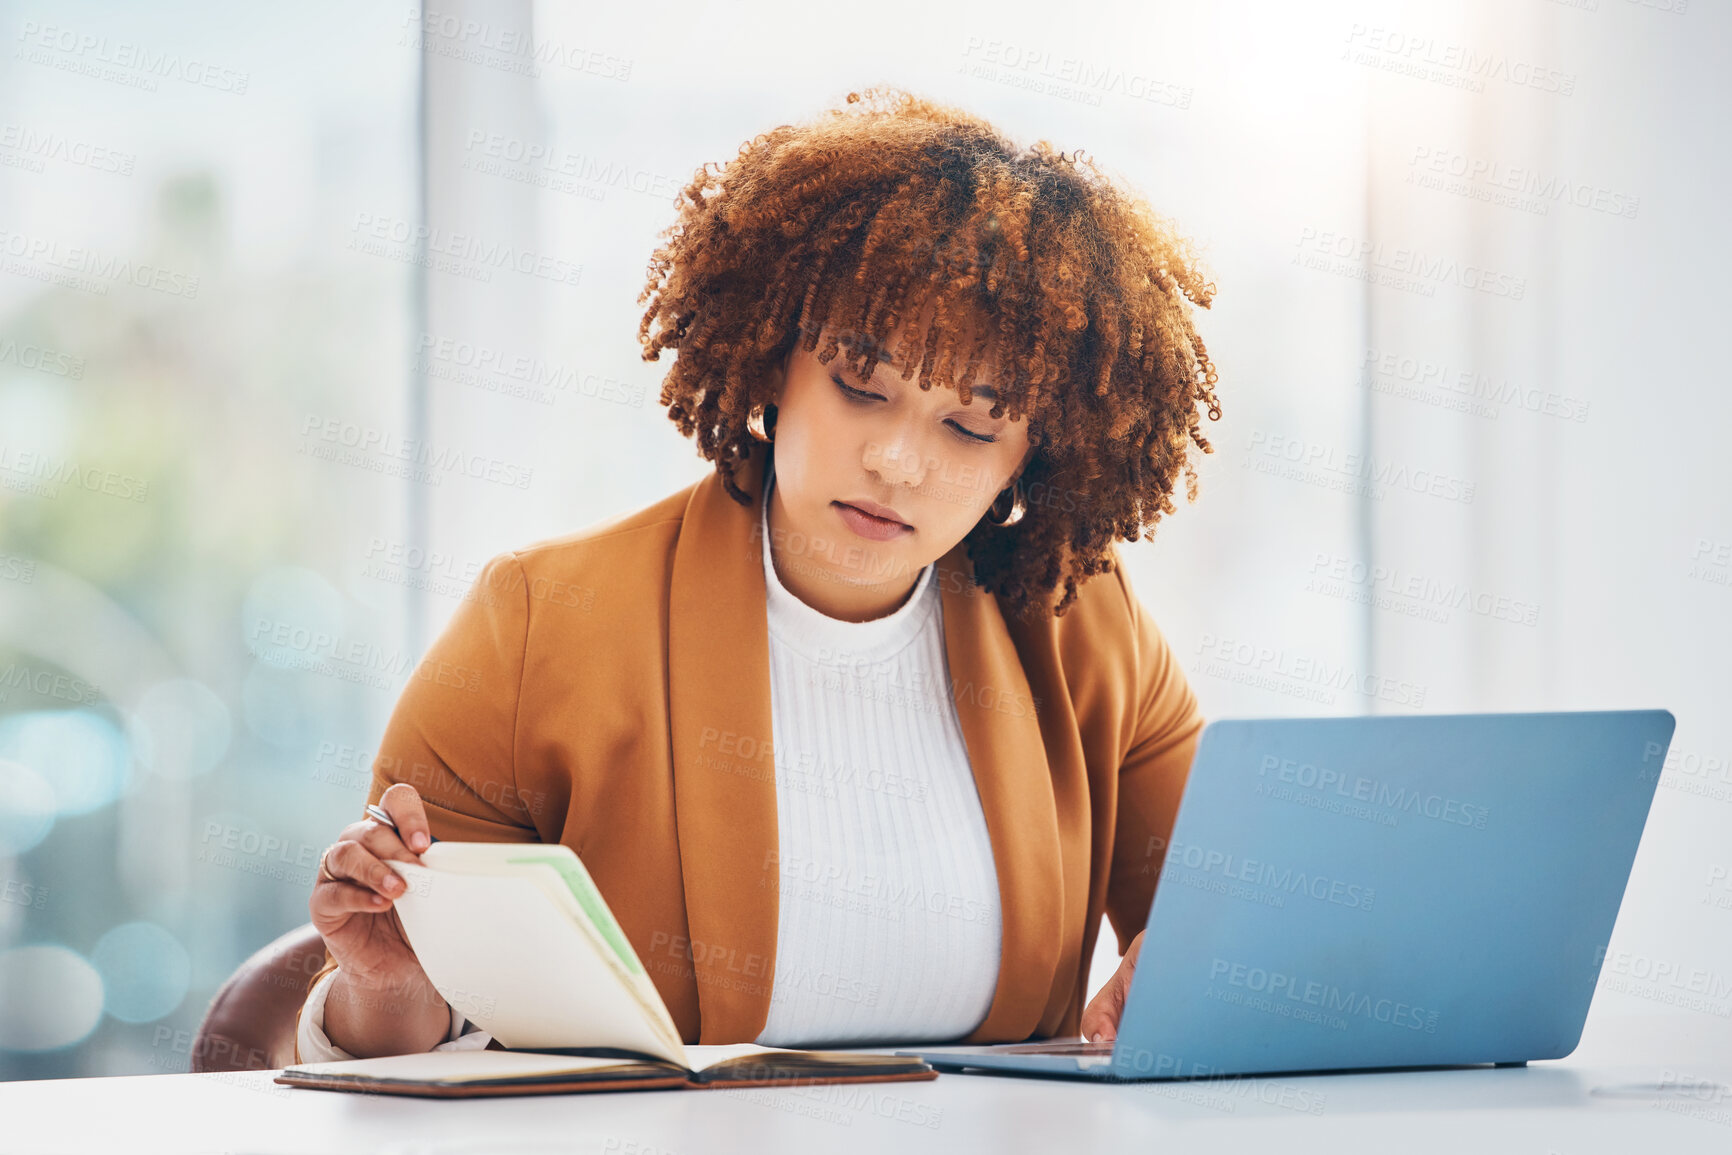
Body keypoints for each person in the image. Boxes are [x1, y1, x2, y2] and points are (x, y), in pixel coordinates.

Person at [294, 85, 1222, 1062]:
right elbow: (407, 1032)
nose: (897, 462)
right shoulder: (539, 624)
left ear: (1032, 456)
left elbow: (1229, 936)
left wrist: (1180, 976)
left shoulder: (1086, 632)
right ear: (771, 360)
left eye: (969, 425)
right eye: (861, 388)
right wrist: (386, 988)